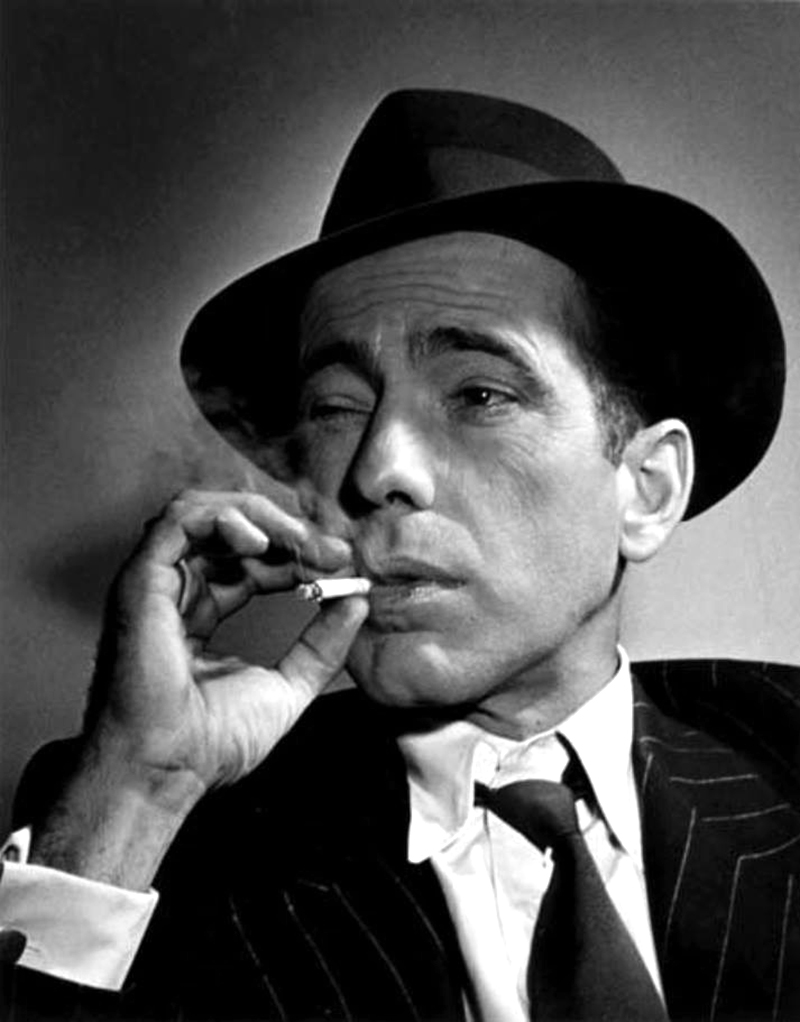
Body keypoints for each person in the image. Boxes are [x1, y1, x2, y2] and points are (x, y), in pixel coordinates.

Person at [1, 89, 798, 1022]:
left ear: (647, 489)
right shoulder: (161, 821)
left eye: (480, 395)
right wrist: (138, 792)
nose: (378, 468)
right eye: (336, 408)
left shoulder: (779, 746)